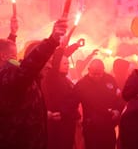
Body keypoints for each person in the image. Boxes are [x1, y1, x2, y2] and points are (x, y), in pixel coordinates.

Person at [0, 18, 68, 149]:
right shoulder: (8, 77)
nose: (50, 65)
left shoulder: (21, 78)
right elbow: (25, 68)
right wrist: (52, 40)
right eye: (14, 57)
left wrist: (43, 113)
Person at [70, 59, 124, 149]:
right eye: (93, 74)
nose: (96, 77)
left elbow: (118, 98)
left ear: (103, 70)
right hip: (91, 127)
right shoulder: (81, 85)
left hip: (108, 125)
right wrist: (77, 117)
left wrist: (117, 110)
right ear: (88, 70)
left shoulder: (110, 80)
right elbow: (72, 103)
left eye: (99, 74)